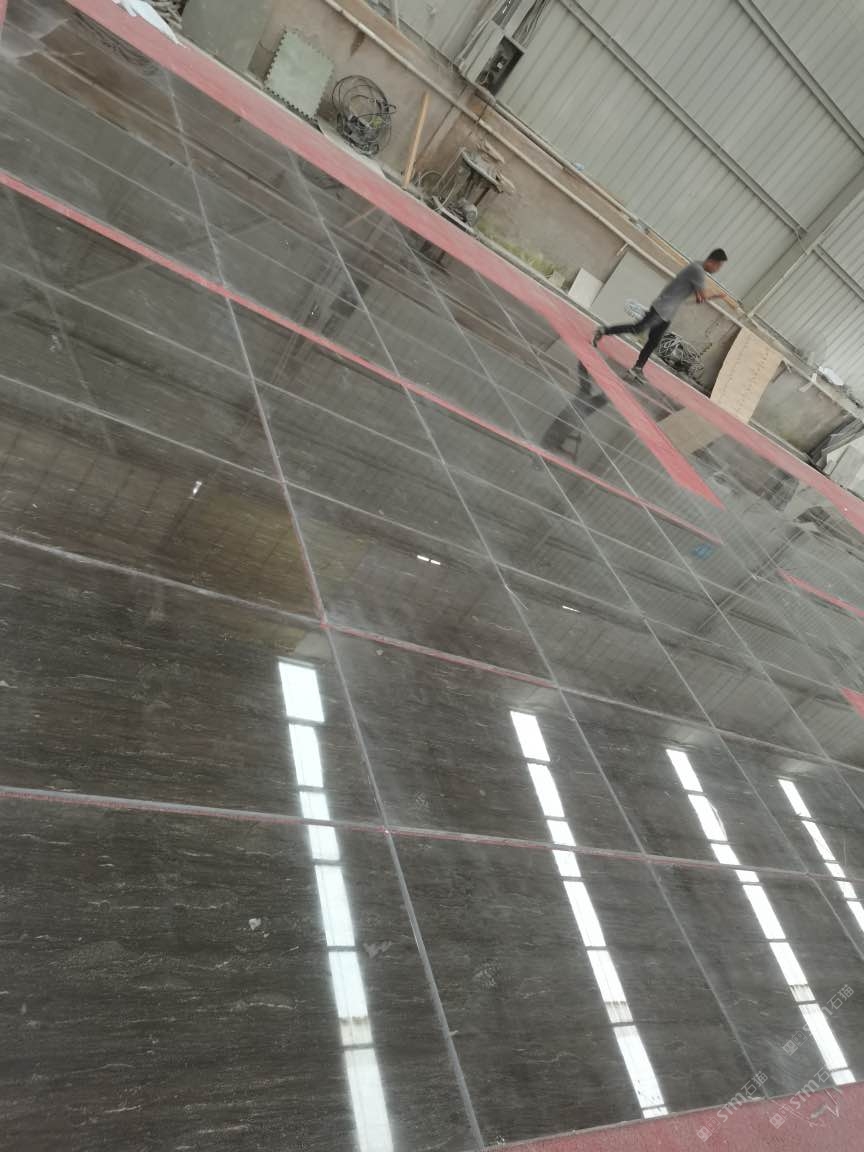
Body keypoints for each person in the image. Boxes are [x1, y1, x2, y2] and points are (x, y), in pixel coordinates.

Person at [592, 248, 728, 380]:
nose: (718, 269)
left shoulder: (697, 267)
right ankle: (603, 330)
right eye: (719, 266)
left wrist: (700, 297)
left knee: (653, 341)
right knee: (637, 329)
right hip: (662, 308)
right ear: (712, 261)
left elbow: (698, 296)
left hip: (668, 312)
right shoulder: (697, 270)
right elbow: (703, 295)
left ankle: (638, 368)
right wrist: (718, 295)